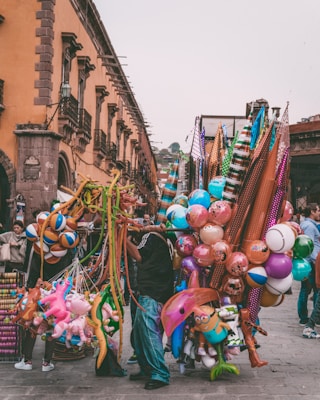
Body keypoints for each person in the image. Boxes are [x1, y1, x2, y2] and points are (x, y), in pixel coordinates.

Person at [126, 223, 174, 390]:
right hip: (154, 292)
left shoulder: (151, 236)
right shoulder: (165, 240)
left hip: (152, 293)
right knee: (139, 333)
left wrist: (125, 240)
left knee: (148, 332)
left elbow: (139, 256)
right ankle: (146, 368)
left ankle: (160, 373)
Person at [14, 249, 74, 371]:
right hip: (56, 294)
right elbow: (67, 271)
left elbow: (33, 272)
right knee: (51, 326)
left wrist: (29, 289)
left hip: (38, 293)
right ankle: (46, 362)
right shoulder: (63, 249)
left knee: (32, 325)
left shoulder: (39, 248)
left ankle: (27, 361)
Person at [298, 203, 320, 336]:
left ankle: (307, 318)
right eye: (318, 210)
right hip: (312, 263)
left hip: (310, 262)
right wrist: (315, 263)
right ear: (312, 212)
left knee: (306, 290)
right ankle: (309, 320)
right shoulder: (310, 226)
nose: (319, 213)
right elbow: (309, 246)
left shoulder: (307, 225)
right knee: (312, 290)